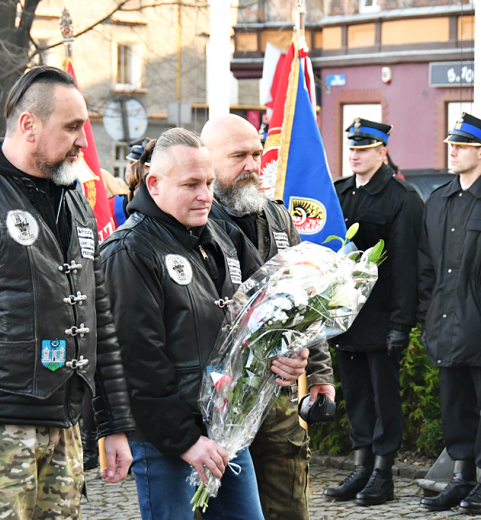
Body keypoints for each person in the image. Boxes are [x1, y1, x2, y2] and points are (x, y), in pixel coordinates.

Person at [0, 66, 135, 519]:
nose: (83, 142)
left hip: (65, 430)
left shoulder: (73, 198)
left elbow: (100, 319)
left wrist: (113, 423)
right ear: (29, 125)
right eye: (72, 127)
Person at [101, 127, 308, 520]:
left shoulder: (220, 234)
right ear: (155, 184)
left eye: (210, 182)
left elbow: (264, 306)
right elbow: (137, 364)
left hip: (225, 429)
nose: (206, 195)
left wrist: (290, 351)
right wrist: (185, 441)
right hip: (166, 441)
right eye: (192, 184)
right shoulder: (129, 252)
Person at [202, 113, 336, 520]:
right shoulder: (193, 221)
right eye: (238, 156)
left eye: (257, 154)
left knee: (289, 510)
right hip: (219, 405)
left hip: (277, 401)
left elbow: (305, 300)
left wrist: (319, 375)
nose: (253, 166)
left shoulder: (277, 218)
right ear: (207, 161)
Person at [323, 118, 423, 506]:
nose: (355, 155)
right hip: (347, 318)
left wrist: (401, 323)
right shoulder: (339, 192)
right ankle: (361, 466)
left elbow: (405, 268)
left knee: (384, 399)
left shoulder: (402, 198)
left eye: (363, 149)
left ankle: (383, 473)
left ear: (382, 152)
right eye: (352, 148)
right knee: (359, 398)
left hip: (381, 319)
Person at [418, 113, 481, 515]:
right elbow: (425, 264)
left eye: (461, 146)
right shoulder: (438, 199)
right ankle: (462, 476)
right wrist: (426, 313)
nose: (451, 150)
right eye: (451, 144)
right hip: (443, 318)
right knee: (454, 403)